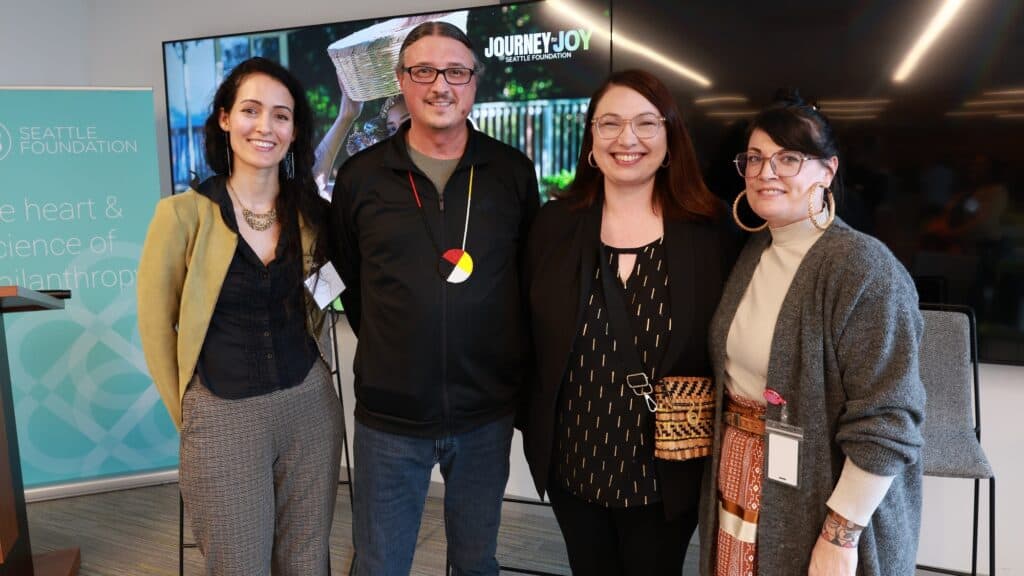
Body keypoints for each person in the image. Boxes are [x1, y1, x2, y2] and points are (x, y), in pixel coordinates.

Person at [330, 21, 539, 575]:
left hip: (484, 414)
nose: (439, 85)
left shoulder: (510, 173)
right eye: (423, 71)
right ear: (402, 81)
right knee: (379, 564)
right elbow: (350, 281)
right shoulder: (361, 178)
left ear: (474, 83)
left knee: (476, 562)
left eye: (455, 71)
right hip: (389, 419)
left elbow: (524, 281)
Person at [698, 92, 925, 575]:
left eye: (789, 158)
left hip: (827, 504)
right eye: (754, 159)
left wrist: (840, 537)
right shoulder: (755, 250)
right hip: (741, 481)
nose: (766, 172)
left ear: (827, 171)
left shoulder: (863, 268)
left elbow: (888, 421)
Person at [522, 69, 735, 575]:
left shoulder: (712, 234)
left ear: (670, 137)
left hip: (667, 470)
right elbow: (526, 333)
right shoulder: (554, 225)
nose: (627, 139)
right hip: (573, 461)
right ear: (592, 140)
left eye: (645, 123)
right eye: (610, 124)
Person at [137, 57, 342, 575]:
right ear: (225, 119)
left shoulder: (308, 212)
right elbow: (157, 326)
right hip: (222, 414)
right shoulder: (183, 215)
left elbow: (321, 297)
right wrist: (188, 409)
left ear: (294, 131)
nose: (265, 127)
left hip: (309, 407)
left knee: (306, 560)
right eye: (251, 111)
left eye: (281, 115)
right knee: (237, 563)